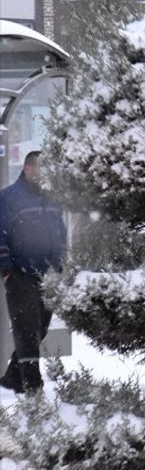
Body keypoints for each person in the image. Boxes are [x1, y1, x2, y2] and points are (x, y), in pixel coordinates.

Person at [0, 152, 67, 394]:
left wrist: (61, 261)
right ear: (27, 168)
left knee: (40, 327)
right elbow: (0, 233)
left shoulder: (51, 198)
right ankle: (33, 385)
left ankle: (11, 378)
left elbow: (60, 231)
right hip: (19, 273)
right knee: (26, 328)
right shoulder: (8, 198)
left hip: (48, 273)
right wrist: (7, 269)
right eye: (40, 169)